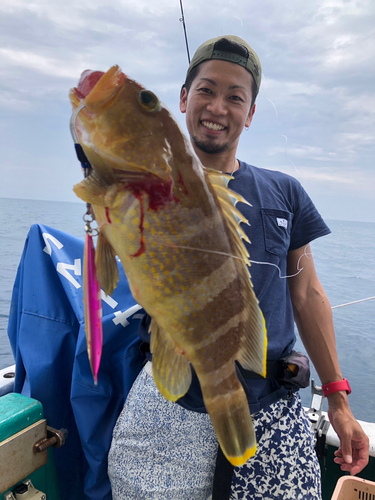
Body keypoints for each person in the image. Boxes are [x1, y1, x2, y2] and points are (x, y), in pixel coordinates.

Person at [107, 35, 369, 499]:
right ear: (184, 98)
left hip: (271, 401)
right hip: (173, 394)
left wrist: (339, 400)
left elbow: (306, 295)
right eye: (206, 90)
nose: (217, 107)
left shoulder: (285, 192)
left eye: (235, 97)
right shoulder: (147, 187)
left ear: (249, 114)